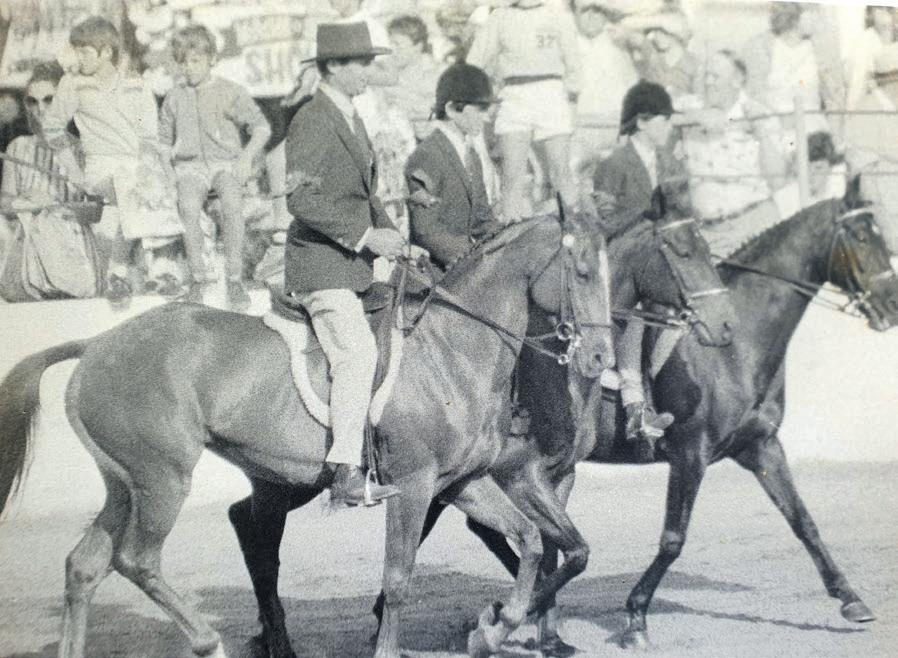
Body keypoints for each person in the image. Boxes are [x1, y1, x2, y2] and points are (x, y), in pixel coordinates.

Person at [284, 22, 409, 506]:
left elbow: (367, 196)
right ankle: (345, 471)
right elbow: (300, 199)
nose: (368, 72)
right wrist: (365, 237)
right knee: (357, 353)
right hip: (320, 266)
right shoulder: (312, 118)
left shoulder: (351, 116)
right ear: (334, 66)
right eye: (361, 63)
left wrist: (397, 238)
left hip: (350, 264)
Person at [41, 16, 182, 307]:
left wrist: (153, 170)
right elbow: (52, 128)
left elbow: (149, 134)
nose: (78, 58)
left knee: (155, 189)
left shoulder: (135, 83)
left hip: (138, 165)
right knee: (130, 187)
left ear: (106, 52)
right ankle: (132, 271)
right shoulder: (73, 84)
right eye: (76, 51)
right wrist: (74, 171)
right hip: (101, 166)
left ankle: (147, 273)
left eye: (84, 52)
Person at [592, 80, 680, 453]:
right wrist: (645, 213)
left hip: (665, 262)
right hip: (624, 267)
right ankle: (635, 407)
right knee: (635, 322)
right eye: (664, 120)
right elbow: (605, 222)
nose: (669, 127)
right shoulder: (613, 165)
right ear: (642, 121)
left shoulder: (670, 162)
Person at [159, 24, 271, 311]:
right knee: (188, 206)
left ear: (211, 59)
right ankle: (198, 278)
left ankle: (234, 278)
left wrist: (245, 158)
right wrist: (169, 173)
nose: (188, 68)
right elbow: (163, 142)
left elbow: (261, 128)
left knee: (232, 202)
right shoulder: (174, 97)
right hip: (191, 166)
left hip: (225, 163)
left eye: (195, 61)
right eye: (183, 62)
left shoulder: (230, 91)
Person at [466, 0, 581, 220]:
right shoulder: (500, 17)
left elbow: (574, 64)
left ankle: (574, 230)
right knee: (512, 175)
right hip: (514, 94)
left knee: (561, 171)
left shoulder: (558, 15)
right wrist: (487, 91)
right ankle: (513, 232)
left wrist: (572, 103)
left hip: (551, 92)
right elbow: (474, 63)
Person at [0, 61, 101, 301]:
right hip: (26, 242)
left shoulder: (82, 149)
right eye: (32, 102)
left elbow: (96, 211)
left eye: (49, 100)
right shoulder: (18, 146)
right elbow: (4, 203)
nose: (40, 109)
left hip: (69, 243)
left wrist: (57, 206)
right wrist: (28, 203)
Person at [681, 50, 787, 257]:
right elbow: (654, 115)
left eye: (716, 76)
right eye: (706, 75)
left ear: (737, 80)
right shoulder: (690, 107)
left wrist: (761, 132)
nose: (708, 82)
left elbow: (778, 180)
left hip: (755, 226)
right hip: (710, 235)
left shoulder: (760, 114)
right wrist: (695, 117)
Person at [405, 62, 501, 271]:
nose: (487, 117)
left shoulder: (471, 155)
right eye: (481, 109)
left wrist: (511, 240)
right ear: (451, 109)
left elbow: (482, 219)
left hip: (467, 266)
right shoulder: (427, 155)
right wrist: (475, 259)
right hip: (436, 272)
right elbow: (426, 231)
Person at [570, 0, 638, 179]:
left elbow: (633, 91)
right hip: (579, 129)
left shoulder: (620, 41)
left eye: (598, 11)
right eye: (585, 11)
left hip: (615, 128)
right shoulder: (567, 42)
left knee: (616, 182)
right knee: (572, 178)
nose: (591, 16)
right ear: (575, 13)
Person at [382, 14, 443, 140]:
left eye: (398, 45)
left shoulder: (434, 74)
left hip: (427, 139)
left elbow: (441, 113)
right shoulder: (386, 67)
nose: (392, 50)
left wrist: (411, 107)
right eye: (391, 43)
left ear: (417, 46)